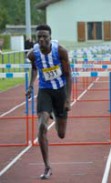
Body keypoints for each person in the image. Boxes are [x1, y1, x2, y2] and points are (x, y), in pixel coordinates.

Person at [25, 24, 72, 179]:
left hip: (60, 91)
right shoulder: (33, 54)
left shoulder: (61, 51)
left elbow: (68, 75)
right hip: (44, 91)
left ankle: (56, 114)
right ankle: (47, 167)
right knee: (41, 127)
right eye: (39, 37)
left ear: (50, 37)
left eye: (45, 36)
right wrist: (31, 85)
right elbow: (34, 68)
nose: (42, 39)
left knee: (61, 134)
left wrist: (67, 99)